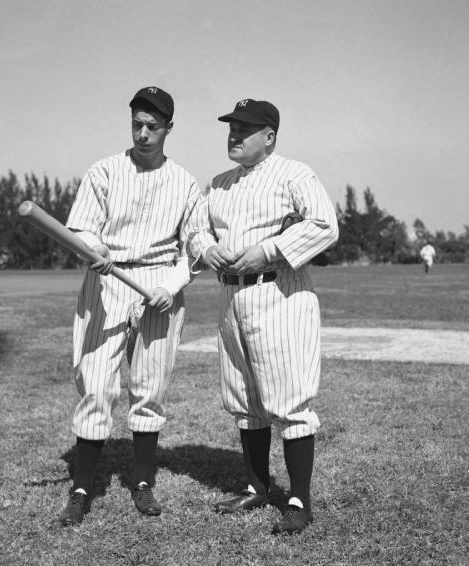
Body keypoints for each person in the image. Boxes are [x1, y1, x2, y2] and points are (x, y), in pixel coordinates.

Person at [188, 99, 339, 535]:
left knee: (290, 400)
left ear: (269, 136)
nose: (234, 134)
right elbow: (195, 229)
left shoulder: (294, 173)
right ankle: (256, 487)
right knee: (245, 400)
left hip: (278, 292)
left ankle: (298, 500)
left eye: (246, 128)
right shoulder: (218, 184)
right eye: (232, 127)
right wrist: (205, 248)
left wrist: (270, 249)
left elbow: (325, 224)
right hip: (232, 297)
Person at [57, 87, 201, 526]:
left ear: (168, 129)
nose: (142, 134)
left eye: (152, 127)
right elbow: (80, 228)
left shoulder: (186, 182)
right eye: (136, 124)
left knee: (150, 387)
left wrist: (172, 284)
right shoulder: (103, 171)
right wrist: (94, 247)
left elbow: (193, 246)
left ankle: (142, 482)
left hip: (159, 285)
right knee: (97, 384)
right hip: (107, 279)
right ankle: (82, 489)